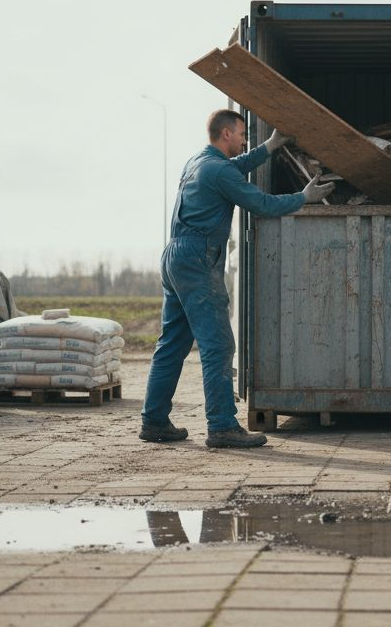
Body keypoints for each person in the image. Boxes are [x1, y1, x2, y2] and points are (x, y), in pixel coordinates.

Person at [141, 108, 334, 448]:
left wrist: (269, 147)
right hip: (198, 259)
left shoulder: (198, 162)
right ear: (226, 134)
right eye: (243, 134)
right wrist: (303, 199)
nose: (246, 140)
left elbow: (234, 168)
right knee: (218, 346)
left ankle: (153, 420)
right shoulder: (218, 170)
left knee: (172, 344)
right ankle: (222, 426)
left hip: (175, 256)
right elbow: (260, 204)